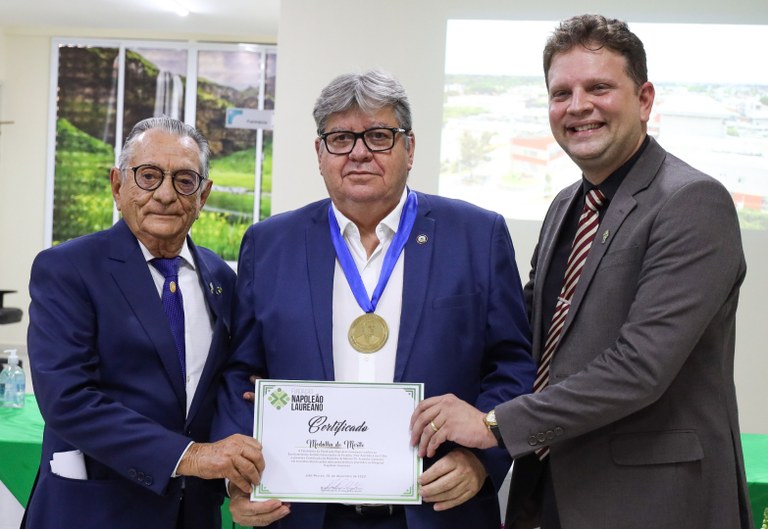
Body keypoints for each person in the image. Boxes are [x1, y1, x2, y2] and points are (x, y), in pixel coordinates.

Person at [410, 14, 753, 529]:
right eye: (561, 92)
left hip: (650, 503)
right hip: (546, 492)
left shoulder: (691, 202)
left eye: (599, 87)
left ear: (644, 99)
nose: (578, 107)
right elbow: (522, 333)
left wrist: (492, 423)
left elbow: (640, 367)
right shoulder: (566, 204)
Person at [212, 70, 536, 529]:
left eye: (379, 136)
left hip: (437, 510)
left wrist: (483, 457)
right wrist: (238, 480)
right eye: (340, 138)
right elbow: (239, 373)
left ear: (410, 148)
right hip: (302, 513)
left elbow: (512, 364)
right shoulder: (269, 244)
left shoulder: (478, 236)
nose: (359, 152)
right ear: (319, 153)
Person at [24, 117, 266, 529]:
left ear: (203, 194)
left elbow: (231, 387)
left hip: (193, 515)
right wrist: (190, 456)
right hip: (96, 511)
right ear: (118, 185)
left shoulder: (221, 279)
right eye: (149, 176)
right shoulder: (68, 269)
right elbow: (69, 401)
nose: (166, 195)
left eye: (185, 180)